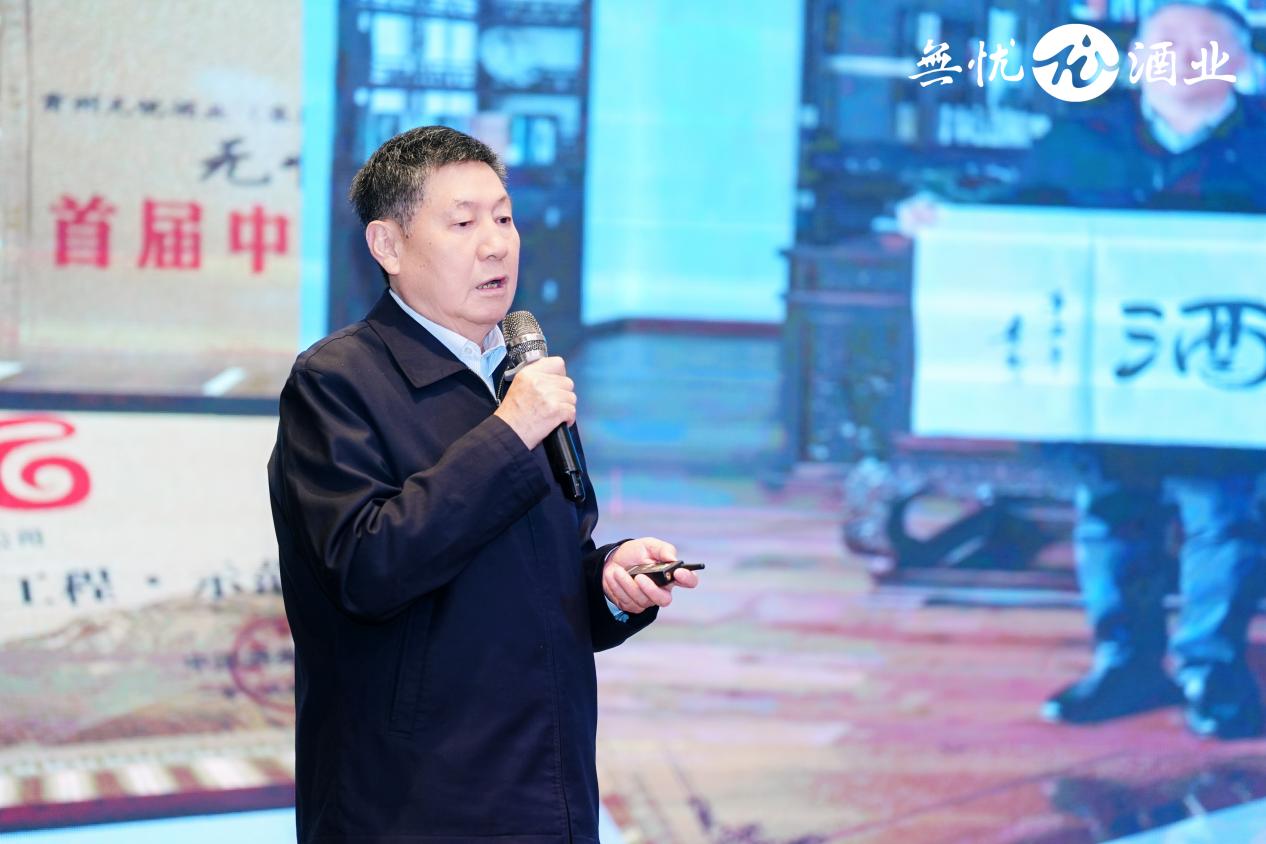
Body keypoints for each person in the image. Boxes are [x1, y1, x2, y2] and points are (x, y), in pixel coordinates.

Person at [267, 125, 700, 842]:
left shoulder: (518, 377)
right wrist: (510, 431)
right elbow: (367, 567)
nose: (496, 244)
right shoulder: (337, 382)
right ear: (388, 245)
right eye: (464, 223)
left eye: (504, 218)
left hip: (547, 792)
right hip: (411, 806)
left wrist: (608, 582)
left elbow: (534, 577)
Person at [900, 0, 1266, 739]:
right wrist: (943, 218)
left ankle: (1213, 666)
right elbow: (1014, 213)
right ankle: (1126, 661)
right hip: (1106, 379)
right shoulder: (1084, 136)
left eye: (1206, 40)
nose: (1184, 54)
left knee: (1225, 521)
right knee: (1112, 514)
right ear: (1137, 59)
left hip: (1225, 376)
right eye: (1167, 39)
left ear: (1241, 60)